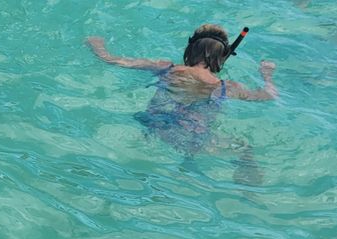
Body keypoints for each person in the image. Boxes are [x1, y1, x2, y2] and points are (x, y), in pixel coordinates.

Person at [86, 24, 278, 181]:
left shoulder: (166, 68)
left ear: (190, 50)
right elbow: (269, 95)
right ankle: (248, 185)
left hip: (155, 125)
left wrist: (97, 45)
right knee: (244, 147)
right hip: (194, 139)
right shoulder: (226, 86)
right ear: (222, 58)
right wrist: (266, 74)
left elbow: (113, 60)